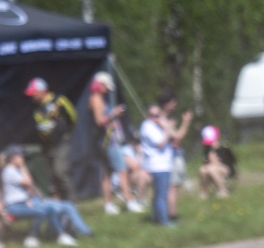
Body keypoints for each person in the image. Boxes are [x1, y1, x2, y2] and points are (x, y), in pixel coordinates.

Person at [0, 146, 91, 247]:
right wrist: (22, 166)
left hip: (28, 202)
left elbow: (30, 187)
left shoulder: (16, 170)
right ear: (13, 158)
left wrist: (30, 197)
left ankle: (71, 234)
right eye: (20, 156)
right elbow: (28, 182)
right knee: (44, 210)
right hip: (15, 206)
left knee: (65, 206)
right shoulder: (9, 171)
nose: (23, 158)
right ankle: (32, 237)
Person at [87, 73, 144, 213]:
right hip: (109, 141)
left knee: (107, 173)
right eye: (106, 87)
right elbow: (99, 121)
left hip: (107, 141)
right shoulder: (96, 99)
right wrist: (114, 113)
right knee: (122, 171)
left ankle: (108, 204)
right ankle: (130, 202)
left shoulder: (98, 98)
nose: (107, 90)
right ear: (100, 85)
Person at [141, 93, 192, 226]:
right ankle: (168, 218)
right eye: (154, 115)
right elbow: (175, 138)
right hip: (161, 163)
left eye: (157, 115)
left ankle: (159, 218)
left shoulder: (157, 123)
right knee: (168, 191)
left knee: (162, 193)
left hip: (164, 161)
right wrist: (185, 122)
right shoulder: (151, 125)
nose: (175, 105)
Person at [25, 77, 77, 199]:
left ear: (42, 91)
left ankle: (71, 200)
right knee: (53, 175)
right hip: (47, 146)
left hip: (62, 142)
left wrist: (66, 132)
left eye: (33, 93)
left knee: (60, 171)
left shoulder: (59, 100)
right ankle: (62, 202)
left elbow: (73, 117)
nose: (32, 96)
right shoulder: (36, 108)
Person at [198, 125, 237, 198]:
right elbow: (206, 163)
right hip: (212, 169)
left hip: (225, 169)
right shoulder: (208, 151)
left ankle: (223, 191)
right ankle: (204, 193)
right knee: (202, 170)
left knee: (212, 169)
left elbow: (226, 162)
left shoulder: (223, 149)